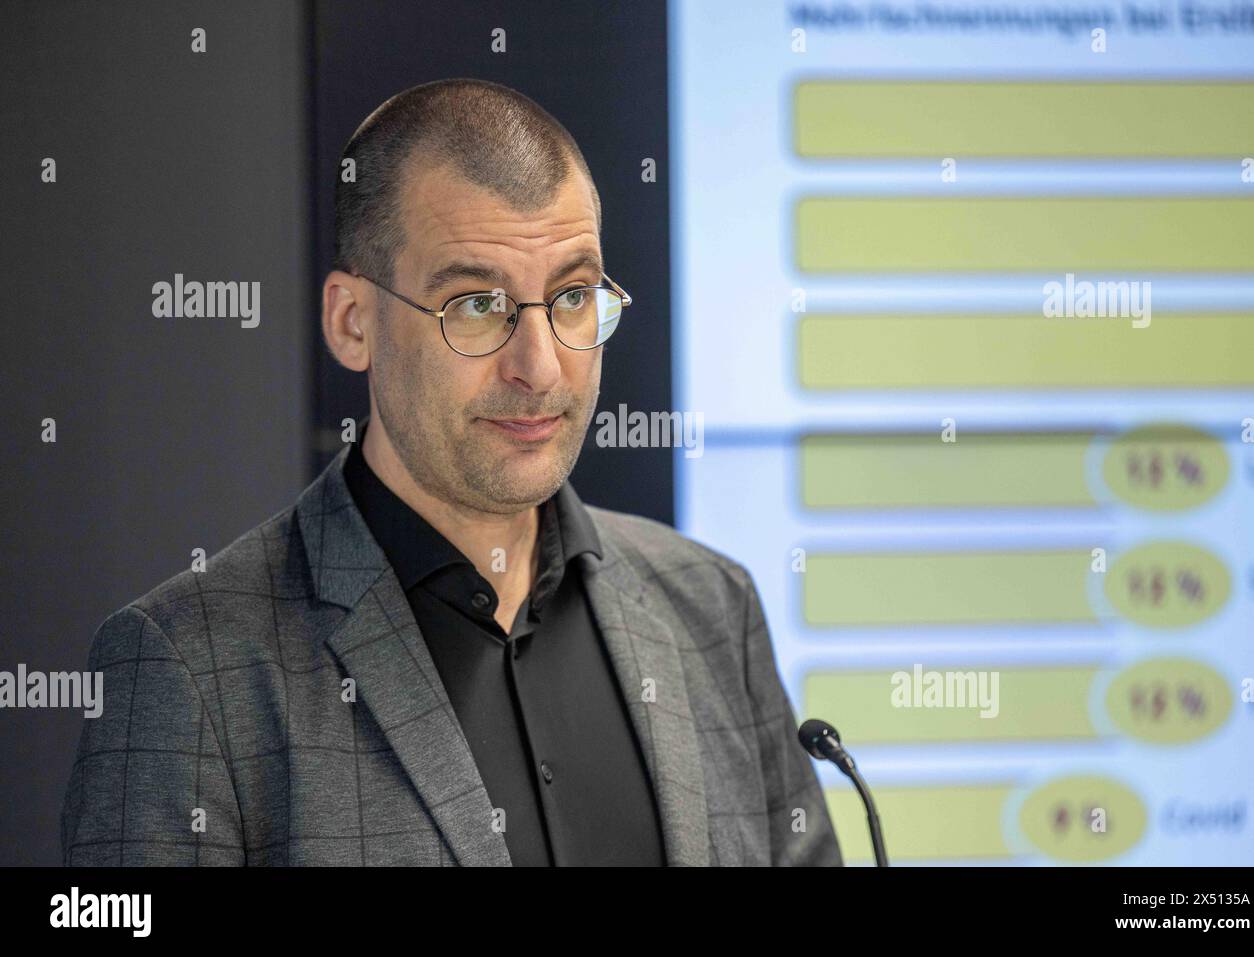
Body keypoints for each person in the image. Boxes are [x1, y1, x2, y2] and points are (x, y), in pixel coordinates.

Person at [59, 77, 842, 866]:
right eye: (476, 305)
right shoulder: (190, 672)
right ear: (352, 321)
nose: (539, 367)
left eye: (571, 296)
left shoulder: (713, 607)